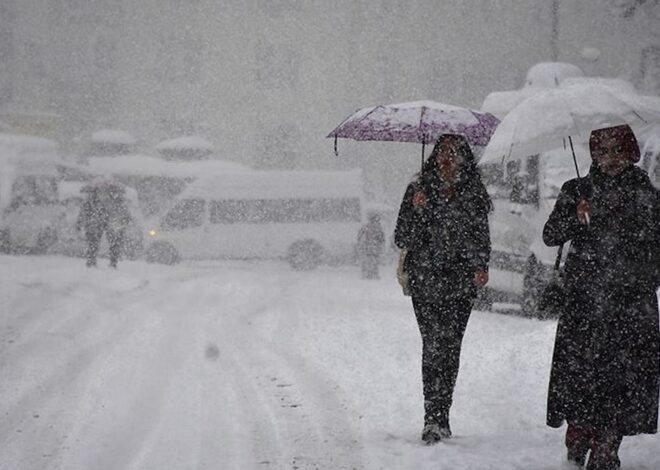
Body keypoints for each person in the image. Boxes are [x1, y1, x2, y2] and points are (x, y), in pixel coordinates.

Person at [543, 124, 660, 470]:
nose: (610, 159)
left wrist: (641, 280)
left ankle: (608, 445)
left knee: (621, 380)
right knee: (582, 375)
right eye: (602, 151)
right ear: (593, 154)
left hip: (630, 305)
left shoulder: (648, 196)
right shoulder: (577, 189)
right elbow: (551, 236)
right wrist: (576, 218)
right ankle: (579, 432)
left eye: (617, 151)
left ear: (630, 154)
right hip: (585, 304)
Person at [394, 133, 492, 444]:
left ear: (465, 158)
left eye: (455, 152)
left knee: (450, 348)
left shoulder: (473, 193)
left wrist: (480, 266)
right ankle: (431, 417)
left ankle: (443, 413)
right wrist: (418, 209)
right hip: (425, 280)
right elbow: (401, 237)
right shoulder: (418, 189)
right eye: (443, 152)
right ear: (435, 155)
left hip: (460, 283)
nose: (448, 158)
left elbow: (480, 236)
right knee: (433, 345)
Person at [76, 180, 133, 268]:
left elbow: (124, 212)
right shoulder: (114, 199)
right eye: (101, 190)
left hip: (105, 223)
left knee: (109, 242)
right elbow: (84, 211)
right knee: (96, 242)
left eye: (105, 190)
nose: (103, 192)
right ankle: (95, 261)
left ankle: (106, 261)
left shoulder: (114, 200)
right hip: (100, 223)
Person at [357, 212, 385, 279]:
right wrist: (381, 244)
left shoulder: (366, 226)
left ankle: (367, 274)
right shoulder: (378, 227)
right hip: (374, 247)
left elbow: (360, 235)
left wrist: (360, 242)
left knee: (368, 261)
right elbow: (382, 238)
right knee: (373, 261)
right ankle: (373, 274)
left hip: (368, 246)